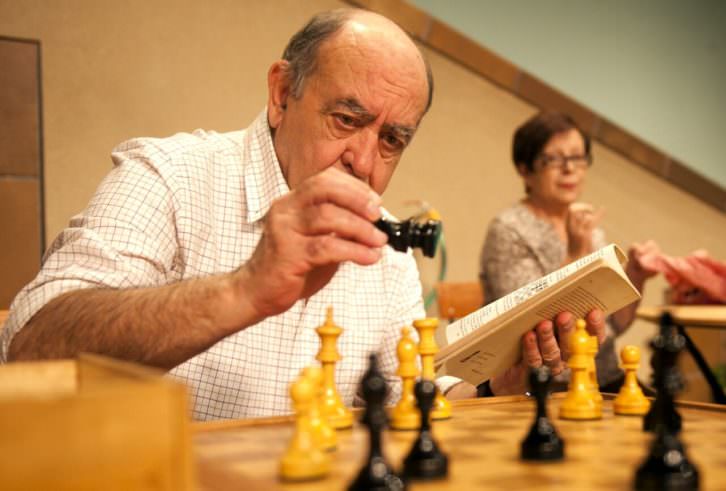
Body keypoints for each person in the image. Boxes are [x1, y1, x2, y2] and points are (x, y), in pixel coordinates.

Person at [0, 9, 604, 416]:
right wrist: (245, 289)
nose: (365, 161)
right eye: (346, 119)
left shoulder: (382, 245)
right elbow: (31, 347)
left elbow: (406, 401)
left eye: (392, 139)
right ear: (280, 92)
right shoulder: (167, 176)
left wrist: (496, 386)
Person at [478, 112, 658, 394]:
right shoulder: (509, 229)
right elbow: (529, 328)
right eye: (553, 160)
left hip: (603, 376)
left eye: (577, 158)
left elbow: (613, 326)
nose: (569, 169)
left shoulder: (587, 227)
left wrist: (636, 274)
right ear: (525, 169)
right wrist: (576, 253)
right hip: (544, 385)